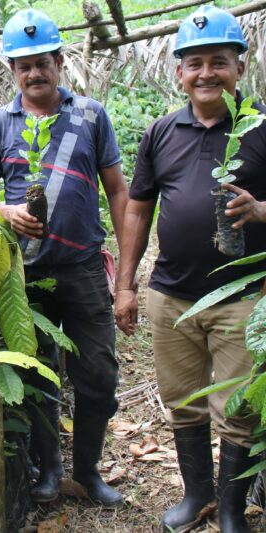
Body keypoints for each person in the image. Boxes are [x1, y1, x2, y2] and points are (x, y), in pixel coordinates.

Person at [115, 6, 266, 532]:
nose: (207, 74)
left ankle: (230, 511)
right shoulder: (160, 132)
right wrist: (126, 285)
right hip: (171, 295)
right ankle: (197, 496)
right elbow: (138, 207)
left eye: (218, 62)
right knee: (182, 402)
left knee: (239, 409)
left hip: (243, 297)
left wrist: (262, 210)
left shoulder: (261, 127)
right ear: (179, 72)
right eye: (195, 63)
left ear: (239, 69)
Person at [0, 9, 128, 507]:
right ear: (12, 70)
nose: (34, 73)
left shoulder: (91, 115)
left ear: (59, 62)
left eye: (42, 62)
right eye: (23, 65)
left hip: (83, 268)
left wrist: (126, 271)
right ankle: (49, 471)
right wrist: (8, 211)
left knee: (99, 376)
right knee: (38, 376)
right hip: (27, 275)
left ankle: (87, 471)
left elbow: (118, 192)